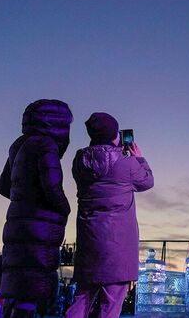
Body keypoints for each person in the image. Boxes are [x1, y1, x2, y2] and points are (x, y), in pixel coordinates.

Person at [65, 112, 154, 318]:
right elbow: (147, 181)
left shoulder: (80, 161)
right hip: (118, 246)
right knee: (110, 306)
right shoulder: (127, 164)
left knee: (82, 299)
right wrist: (138, 157)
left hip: (89, 241)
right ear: (116, 135)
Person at [0, 99, 73, 318]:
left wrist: (23, 198)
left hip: (17, 221)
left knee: (18, 286)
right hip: (40, 228)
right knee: (32, 287)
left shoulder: (19, 144)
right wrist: (63, 209)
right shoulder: (46, 145)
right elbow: (52, 186)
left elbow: (3, 186)